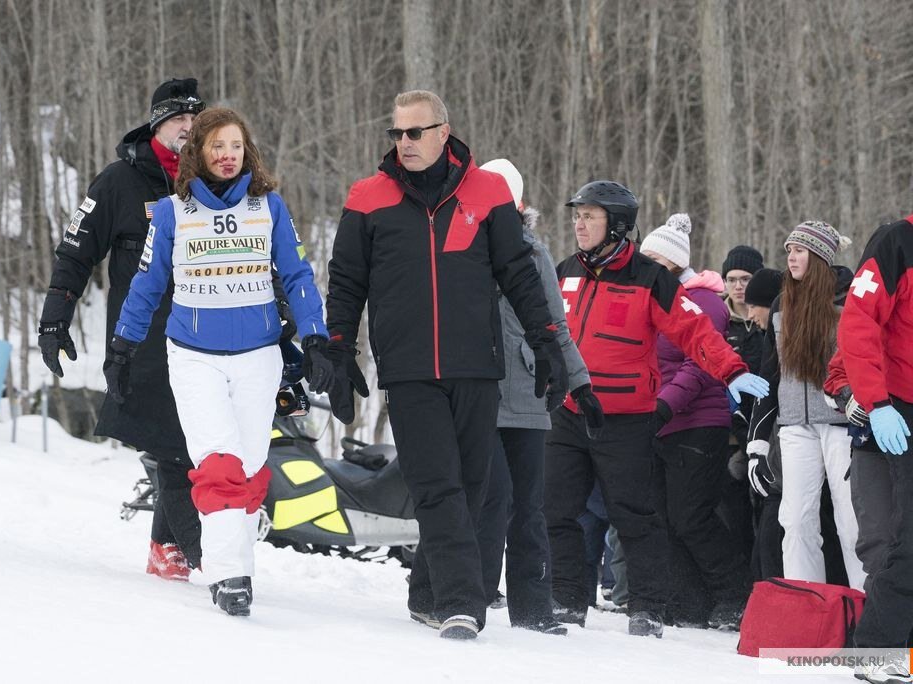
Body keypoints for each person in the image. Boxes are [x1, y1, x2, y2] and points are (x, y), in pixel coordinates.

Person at [313, 90, 570, 640]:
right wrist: (339, 347)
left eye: (414, 133)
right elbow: (347, 282)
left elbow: (519, 276)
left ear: (443, 132)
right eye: (395, 135)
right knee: (437, 484)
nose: (403, 144)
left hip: (477, 366)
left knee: (472, 485)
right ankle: (461, 602)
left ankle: (426, 589)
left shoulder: (488, 192)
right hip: (408, 370)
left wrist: (547, 342)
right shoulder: (367, 198)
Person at [107, 107, 328, 617]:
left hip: (258, 357)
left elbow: (297, 275)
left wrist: (316, 338)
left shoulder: (268, 207)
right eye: (217, 147)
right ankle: (230, 576)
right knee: (220, 464)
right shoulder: (171, 213)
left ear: (246, 149)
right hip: (194, 358)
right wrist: (123, 346)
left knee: (250, 472)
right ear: (198, 153)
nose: (228, 156)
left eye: (235, 145)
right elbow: (147, 285)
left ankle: (234, 563)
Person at [546, 180, 768, 638]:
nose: (578, 223)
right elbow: (545, 330)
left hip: (626, 417)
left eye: (590, 215)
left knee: (635, 516)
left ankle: (646, 606)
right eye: (577, 215)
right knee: (557, 511)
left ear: (618, 225)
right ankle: (567, 600)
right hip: (568, 411)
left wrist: (731, 370)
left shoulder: (651, 277)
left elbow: (695, 331)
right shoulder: (566, 270)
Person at [38, 78, 206, 580]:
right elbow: (75, 251)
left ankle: (169, 548)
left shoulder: (214, 181)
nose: (188, 129)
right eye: (179, 118)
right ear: (158, 123)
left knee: (196, 443)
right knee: (175, 443)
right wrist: (54, 319)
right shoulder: (118, 181)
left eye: (197, 120)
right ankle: (189, 553)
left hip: (205, 332)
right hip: (143, 337)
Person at [472, 159, 596, 637]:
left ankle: (532, 607)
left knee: (528, 504)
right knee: (488, 497)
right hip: (476, 390)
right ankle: (472, 596)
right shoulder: (459, 248)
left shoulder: (534, 253)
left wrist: (579, 382)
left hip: (527, 390)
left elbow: (555, 327)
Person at [639, 213, 752, 631]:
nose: (642, 263)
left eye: (651, 257)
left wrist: (665, 405)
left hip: (696, 422)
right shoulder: (653, 296)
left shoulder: (702, 301)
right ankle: (688, 600)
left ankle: (735, 593)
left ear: (671, 262)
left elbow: (700, 363)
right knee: (665, 518)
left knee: (692, 516)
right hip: (657, 422)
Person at [746, 221, 865, 590]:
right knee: (795, 521)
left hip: (842, 425)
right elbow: (771, 374)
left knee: (852, 524)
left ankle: (869, 611)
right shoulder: (783, 303)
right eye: (788, 250)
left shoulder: (847, 299)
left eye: (799, 250)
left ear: (819, 256)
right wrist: (757, 443)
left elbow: (862, 361)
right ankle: (807, 609)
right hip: (795, 426)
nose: (791, 257)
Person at [833, 213, 913, 670]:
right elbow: (859, 321)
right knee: (907, 538)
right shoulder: (896, 240)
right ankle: (876, 648)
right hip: (899, 405)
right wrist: (876, 401)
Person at [720, 245, 766, 563]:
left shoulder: (769, 320)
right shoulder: (718, 320)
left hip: (764, 430)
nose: (739, 286)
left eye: (746, 278)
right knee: (729, 515)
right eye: (732, 279)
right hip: (726, 433)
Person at [741, 268, 786, 580]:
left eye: (753, 306)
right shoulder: (759, 335)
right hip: (769, 446)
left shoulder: (780, 333)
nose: (749, 314)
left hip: (787, 448)